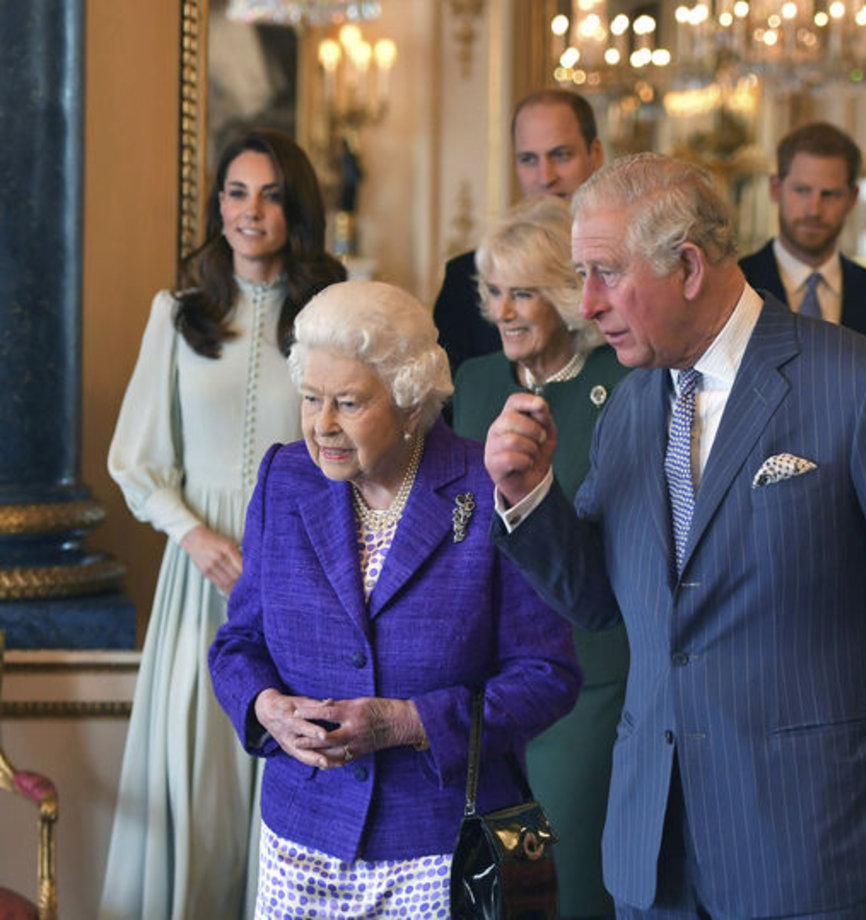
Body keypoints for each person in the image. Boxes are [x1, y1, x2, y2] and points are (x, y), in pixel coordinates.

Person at [484, 153, 866, 917]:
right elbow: (597, 601)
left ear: (689, 266)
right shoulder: (630, 406)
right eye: (582, 276)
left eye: (606, 274)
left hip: (813, 839)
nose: (586, 304)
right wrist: (529, 496)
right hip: (655, 844)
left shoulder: (863, 386)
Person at [207, 280, 581, 918]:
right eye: (311, 399)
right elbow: (238, 643)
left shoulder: (487, 485)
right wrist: (266, 707)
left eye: (349, 403)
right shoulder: (284, 478)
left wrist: (409, 723)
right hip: (301, 840)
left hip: (444, 847)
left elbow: (549, 676)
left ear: (410, 403)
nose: (322, 425)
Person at [100, 127, 347, 920]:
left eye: (271, 195)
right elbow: (137, 457)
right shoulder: (178, 314)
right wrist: (193, 535)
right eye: (237, 192)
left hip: (302, 577)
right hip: (198, 574)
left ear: (295, 208)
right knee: (198, 770)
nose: (251, 210)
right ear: (217, 205)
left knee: (284, 765)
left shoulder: (329, 317)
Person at [450, 194, 630, 919]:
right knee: (504, 888)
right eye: (494, 291)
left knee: (572, 884)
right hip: (488, 687)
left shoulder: (623, 382)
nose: (503, 311)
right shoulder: (474, 382)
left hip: (589, 679)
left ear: (565, 291)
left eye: (523, 292)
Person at [433, 88, 605, 378]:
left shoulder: (627, 270)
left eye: (561, 155)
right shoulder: (465, 278)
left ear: (595, 154)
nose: (545, 177)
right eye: (528, 159)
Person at [739, 121, 866, 366]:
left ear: (852, 198)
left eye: (830, 194)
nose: (814, 210)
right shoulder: (736, 287)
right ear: (775, 189)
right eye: (802, 190)